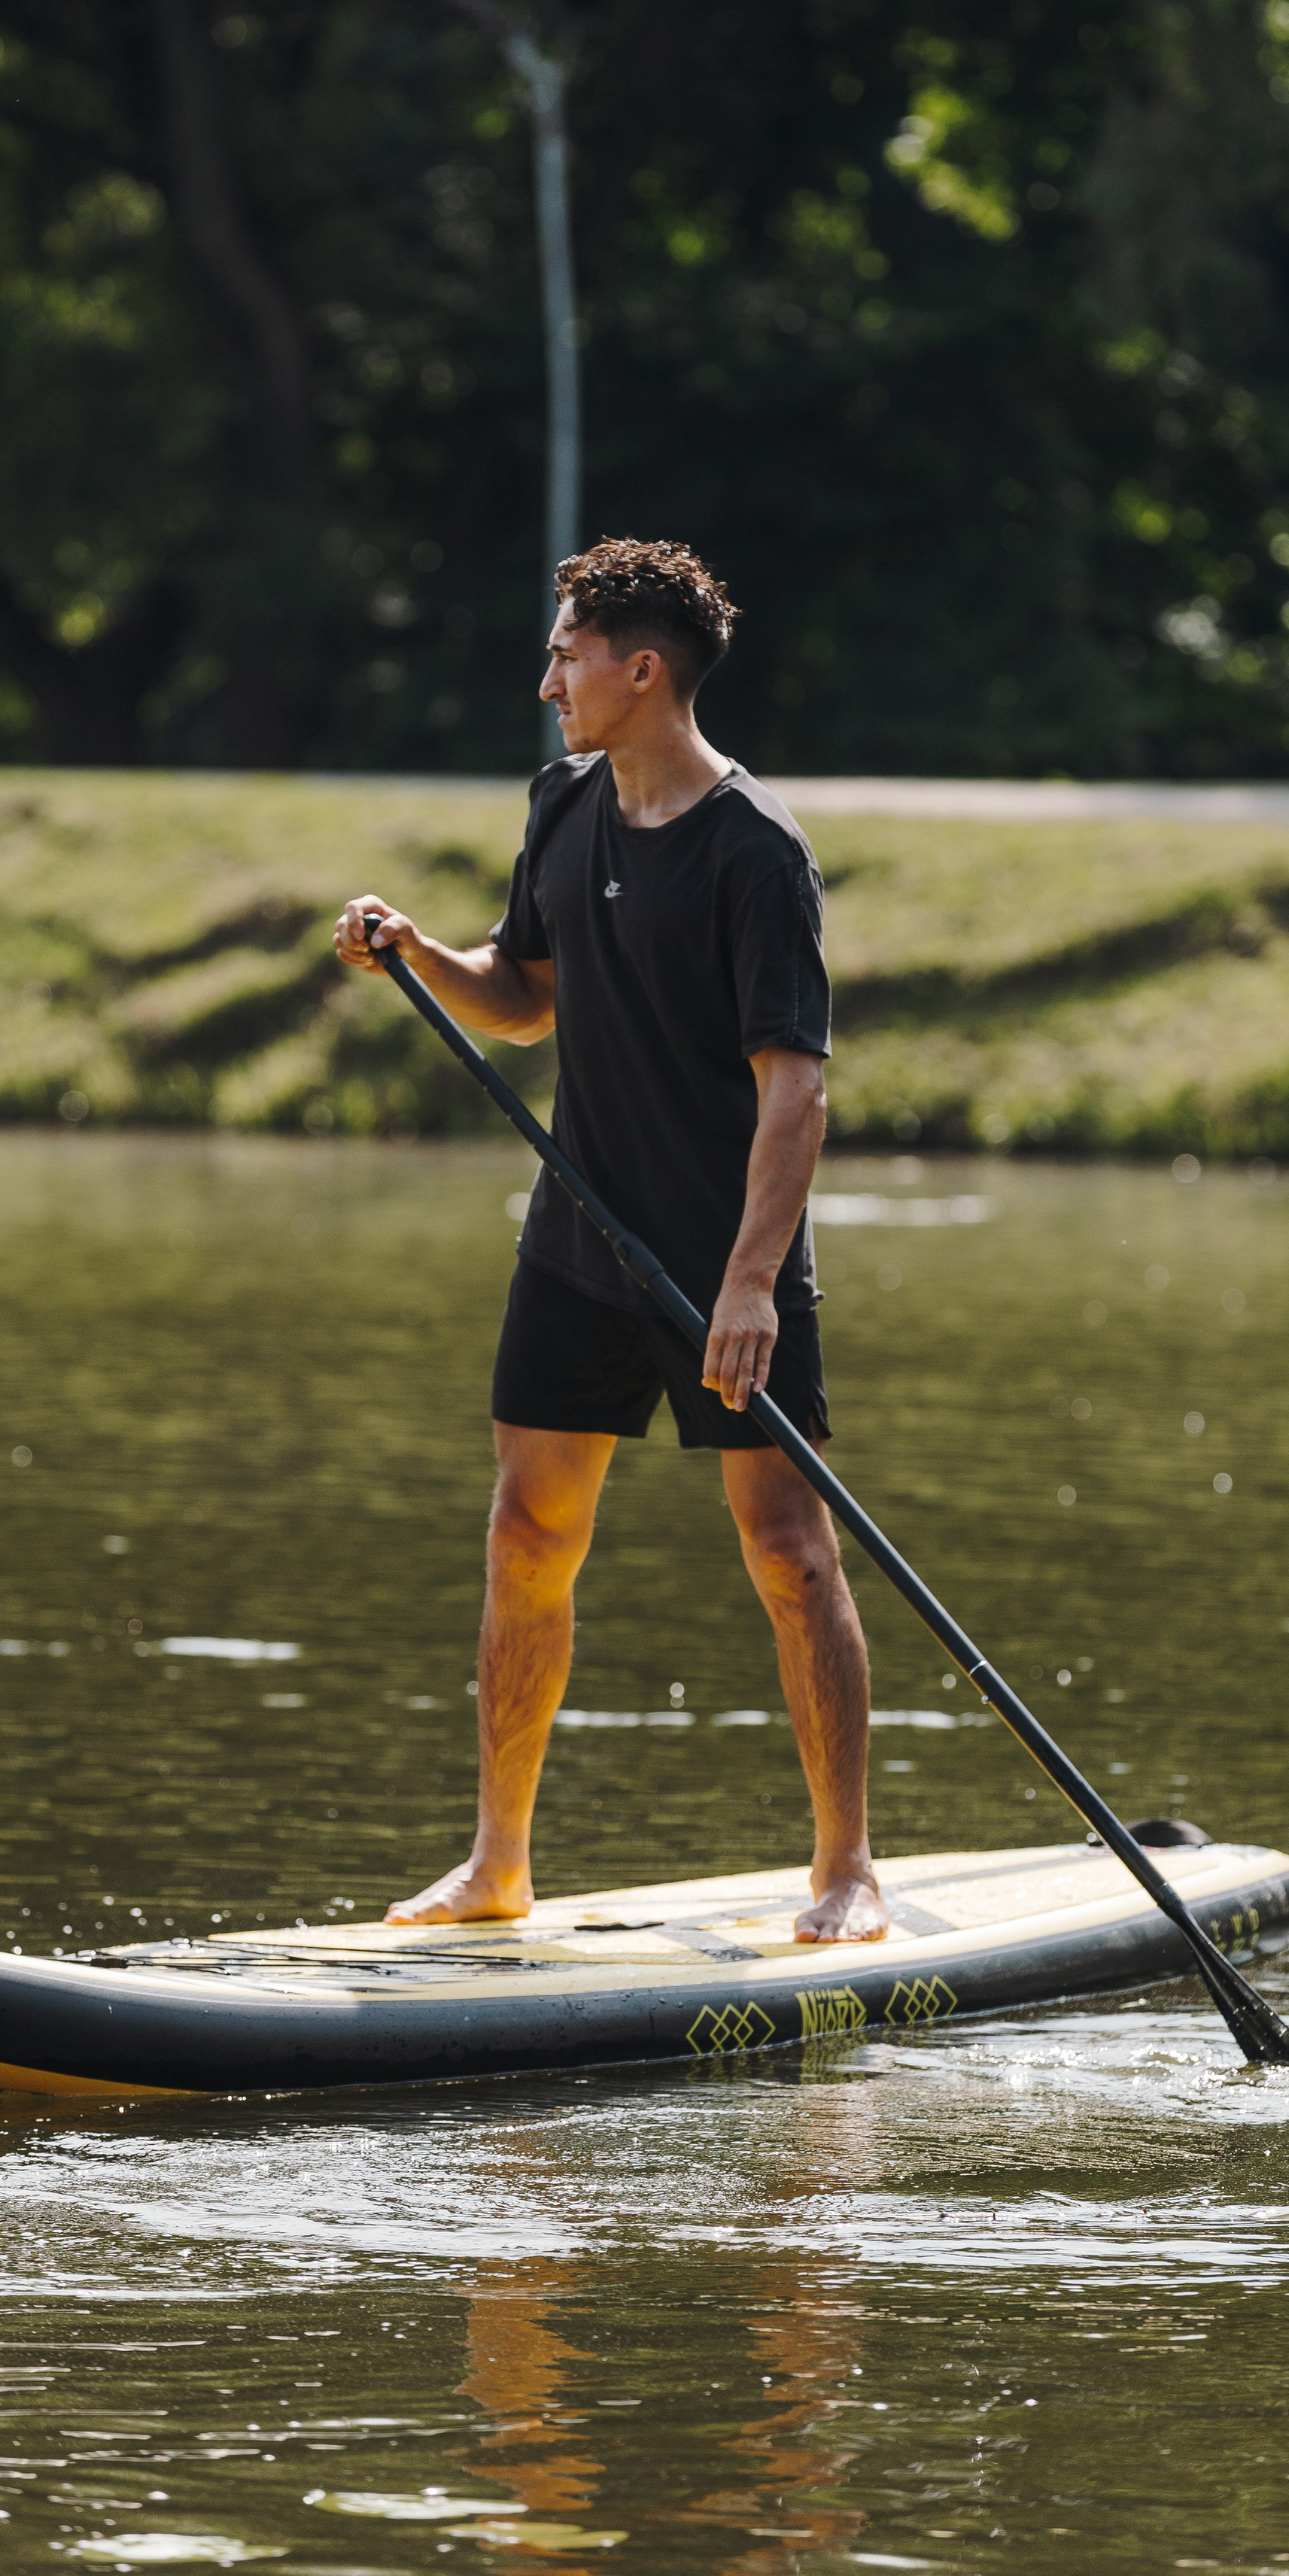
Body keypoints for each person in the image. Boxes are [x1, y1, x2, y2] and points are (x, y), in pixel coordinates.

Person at [334, 535, 886, 1946]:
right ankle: (497, 1865)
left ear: (642, 672)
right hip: (579, 1238)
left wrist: (751, 1285)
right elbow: (525, 997)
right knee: (527, 1535)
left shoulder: (757, 852)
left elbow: (797, 1090)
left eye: (567, 658)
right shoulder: (565, 802)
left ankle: (846, 1872)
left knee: (790, 1553)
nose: (548, 684)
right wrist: (420, 956)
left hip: (723, 1265)